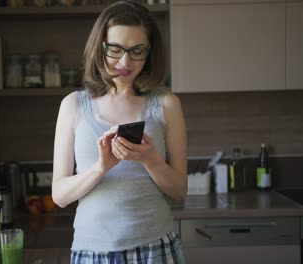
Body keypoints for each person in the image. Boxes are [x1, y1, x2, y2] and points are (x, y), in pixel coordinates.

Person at [52, 1, 187, 263]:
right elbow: (59, 195)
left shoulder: (167, 104)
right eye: (115, 49)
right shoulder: (73, 105)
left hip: (154, 248)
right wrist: (100, 168)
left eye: (137, 51)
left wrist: (151, 160)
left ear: (150, 52)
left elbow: (179, 190)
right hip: (92, 251)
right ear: (99, 46)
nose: (125, 62)